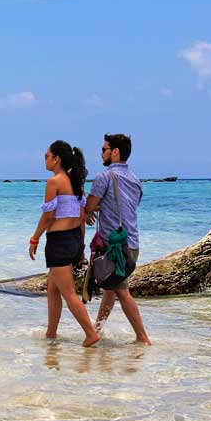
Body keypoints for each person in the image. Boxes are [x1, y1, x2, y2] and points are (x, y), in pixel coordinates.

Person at [29, 140, 99, 348]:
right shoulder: (75, 182)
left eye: (47, 155)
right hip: (74, 240)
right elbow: (82, 216)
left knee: (68, 293)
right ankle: (51, 334)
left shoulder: (54, 182)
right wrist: (81, 248)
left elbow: (48, 216)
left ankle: (91, 334)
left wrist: (35, 238)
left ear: (56, 158)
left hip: (59, 242)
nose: (45, 159)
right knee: (53, 289)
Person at [84, 133, 152, 345]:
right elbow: (126, 207)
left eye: (104, 149)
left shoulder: (104, 177)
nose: (101, 153)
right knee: (110, 290)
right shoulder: (136, 180)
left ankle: (142, 337)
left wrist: (88, 210)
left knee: (121, 292)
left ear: (115, 152)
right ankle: (97, 329)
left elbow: (90, 205)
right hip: (132, 242)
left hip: (114, 246)